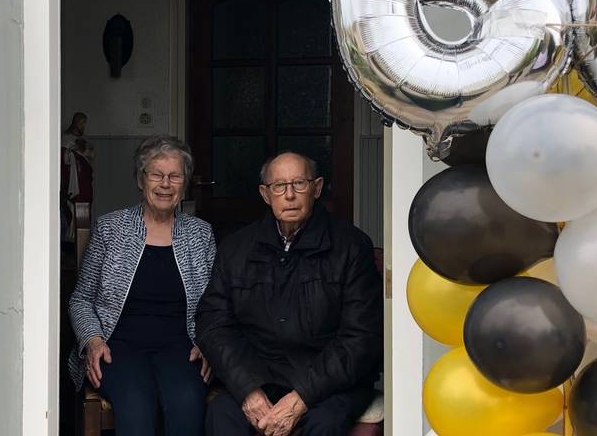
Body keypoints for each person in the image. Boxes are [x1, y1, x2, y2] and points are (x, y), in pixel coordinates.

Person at [196, 152, 383, 436]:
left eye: (299, 184)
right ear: (265, 194)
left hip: (328, 384)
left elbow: (361, 337)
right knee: (222, 414)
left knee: (324, 423)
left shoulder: (351, 246)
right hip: (258, 377)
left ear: (317, 188)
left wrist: (302, 398)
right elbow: (214, 324)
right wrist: (248, 390)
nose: (290, 195)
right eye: (279, 186)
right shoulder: (237, 248)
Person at [68, 135, 216, 435]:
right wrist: (94, 341)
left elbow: (217, 304)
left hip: (182, 347)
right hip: (118, 345)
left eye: (175, 176)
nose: (165, 184)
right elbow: (81, 299)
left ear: (184, 182)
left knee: (187, 406)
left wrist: (209, 343)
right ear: (140, 179)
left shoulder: (201, 234)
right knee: (137, 410)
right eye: (156, 175)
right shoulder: (110, 228)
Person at [61, 112, 95, 245]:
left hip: (84, 179)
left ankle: (83, 244)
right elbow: (64, 158)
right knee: (72, 208)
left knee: (84, 213)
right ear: (75, 122)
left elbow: (91, 155)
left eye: (85, 123)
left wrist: (84, 153)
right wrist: (73, 152)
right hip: (73, 181)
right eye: (81, 122)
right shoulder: (66, 138)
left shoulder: (85, 139)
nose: (83, 126)